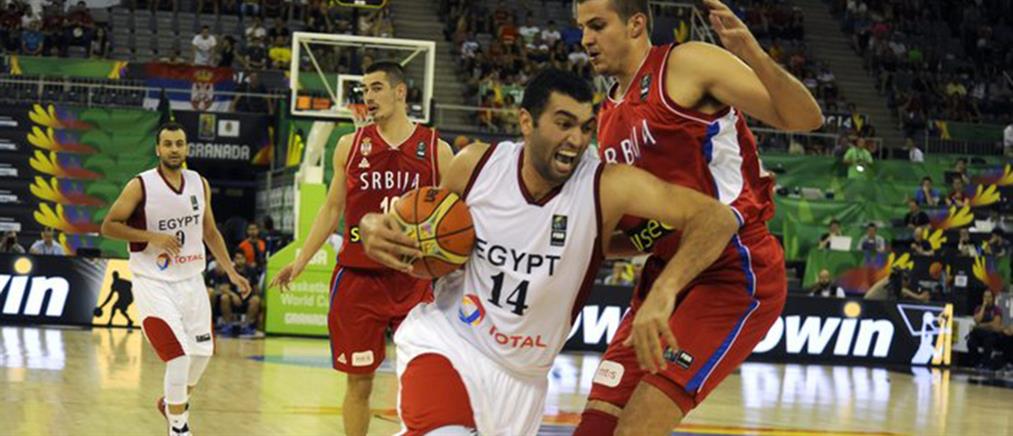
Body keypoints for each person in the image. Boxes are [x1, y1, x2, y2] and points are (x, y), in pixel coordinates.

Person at [358, 68, 739, 436]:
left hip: (524, 381)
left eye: (586, 127)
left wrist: (664, 291)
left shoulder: (607, 186)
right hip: (448, 342)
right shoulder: (476, 164)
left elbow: (718, 219)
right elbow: (420, 223)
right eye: (563, 123)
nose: (577, 139)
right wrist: (374, 226)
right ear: (527, 121)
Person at [574, 0, 821, 432]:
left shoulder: (684, 64)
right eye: (581, 28)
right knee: (595, 426)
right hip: (666, 274)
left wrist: (753, 54)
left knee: (636, 427)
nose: (586, 39)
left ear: (635, 24)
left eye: (597, 25)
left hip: (733, 268)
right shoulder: (608, 119)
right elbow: (647, 232)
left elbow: (805, 118)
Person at [269, 61, 453, 436]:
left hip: (414, 278)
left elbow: (453, 216)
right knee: (359, 383)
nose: (368, 96)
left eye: (376, 88)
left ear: (400, 92)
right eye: (364, 89)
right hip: (358, 280)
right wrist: (301, 260)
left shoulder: (437, 149)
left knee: (422, 379)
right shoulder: (349, 146)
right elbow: (331, 209)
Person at [100, 122, 251, 436]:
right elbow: (109, 226)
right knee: (178, 356)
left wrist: (232, 271)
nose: (174, 149)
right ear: (158, 149)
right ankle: (179, 427)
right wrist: (152, 236)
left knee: (202, 354)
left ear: (187, 148)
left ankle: (171, 404)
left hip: (192, 280)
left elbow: (210, 232)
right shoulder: (140, 185)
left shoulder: (199, 183)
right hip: (153, 282)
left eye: (179, 143)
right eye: (167, 144)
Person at [967, 291, 1004, 368]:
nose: (987, 299)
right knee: (970, 342)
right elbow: (977, 321)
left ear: (992, 298)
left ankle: (985, 364)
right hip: (980, 334)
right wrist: (983, 307)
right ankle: (975, 363)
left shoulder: (996, 309)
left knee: (988, 340)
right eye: (985, 297)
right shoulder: (978, 308)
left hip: (991, 334)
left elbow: (995, 324)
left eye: (989, 297)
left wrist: (980, 326)